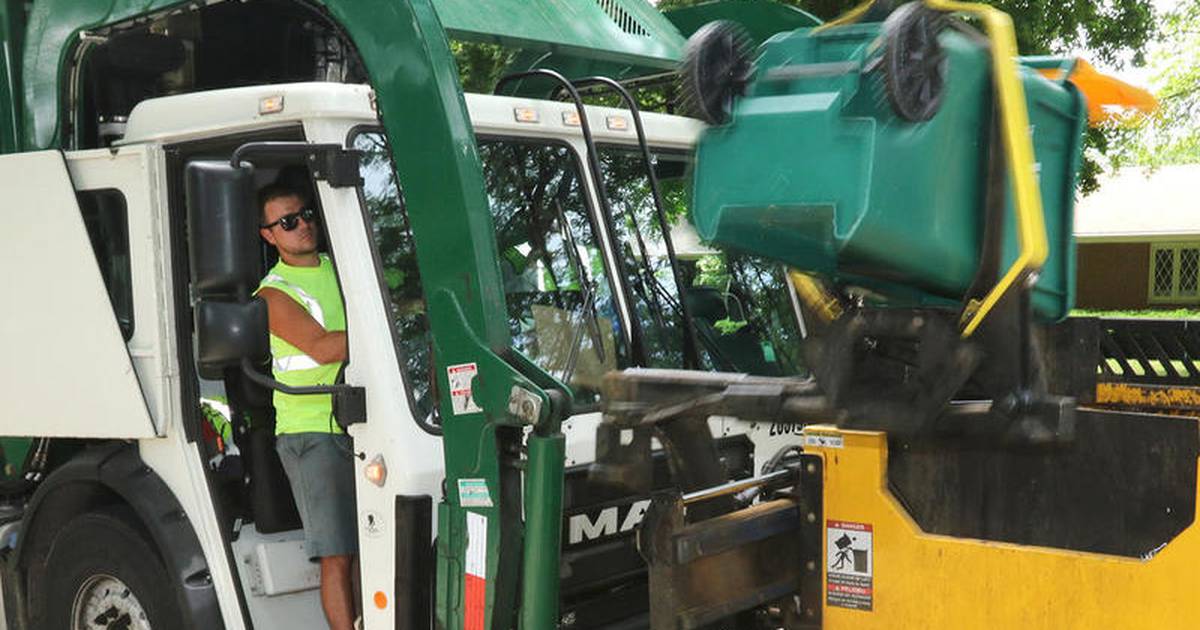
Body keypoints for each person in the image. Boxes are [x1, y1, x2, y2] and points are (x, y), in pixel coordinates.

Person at [255, 181, 357, 630]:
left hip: (363, 422)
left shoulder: (345, 266)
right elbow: (322, 347)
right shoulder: (273, 294)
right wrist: (397, 339)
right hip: (312, 432)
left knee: (370, 545)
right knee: (337, 554)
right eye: (288, 222)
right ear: (269, 236)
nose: (303, 226)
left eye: (307, 214)